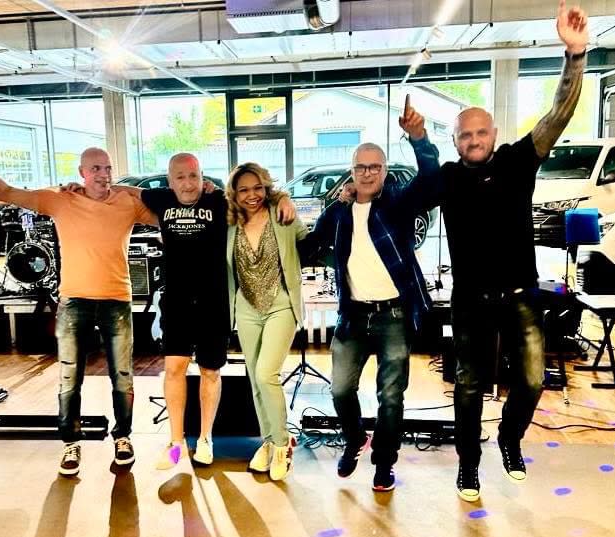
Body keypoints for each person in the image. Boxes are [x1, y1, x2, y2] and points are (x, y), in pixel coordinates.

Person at [443, 0, 589, 502]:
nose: (474, 139)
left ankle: (509, 438)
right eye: (465, 134)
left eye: (481, 132)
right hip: (470, 301)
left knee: (531, 380)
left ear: (494, 134)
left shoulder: (517, 161)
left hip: (521, 296)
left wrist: (575, 56)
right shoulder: (449, 178)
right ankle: (468, 465)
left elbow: (557, 115)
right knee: (468, 385)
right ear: (456, 141)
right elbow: (402, 196)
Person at [0, 136, 158, 477]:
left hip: (116, 300)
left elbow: (167, 215)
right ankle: (71, 443)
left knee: (122, 376)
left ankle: (123, 437)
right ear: (81, 172)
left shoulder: (126, 203)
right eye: (96, 169)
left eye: (108, 168)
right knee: (69, 377)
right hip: (74, 301)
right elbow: (5, 192)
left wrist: (128, 189)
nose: (103, 174)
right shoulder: (60, 200)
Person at [116, 153, 296, 469]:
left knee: (210, 371)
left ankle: (205, 439)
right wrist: (92, 186)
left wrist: (283, 198)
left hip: (214, 302)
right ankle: (175, 443)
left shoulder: (218, 201)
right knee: (174, 368)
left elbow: (255, 196)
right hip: (177, 302)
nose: (188, 184)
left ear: (202, 177)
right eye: (180, 177)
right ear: (170, 181)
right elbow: (128, 190)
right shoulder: (161, 199)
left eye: (193, 176)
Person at [309, 99, 441, 491]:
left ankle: (384, 462)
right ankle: (354, 439)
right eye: (361, 167)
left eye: (375, 167)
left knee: (391, 397)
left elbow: (430, 179)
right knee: (340, 389)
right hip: (352, 317)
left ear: (384, 171)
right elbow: (311, 245)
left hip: (394, 316)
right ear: (351, 172)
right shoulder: (339, 213)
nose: (367, 173)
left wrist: (419, 139)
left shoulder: (397, 203)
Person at [224, 162, 308, 481]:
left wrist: (285, 198)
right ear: (234, 193)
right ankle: (269, 441)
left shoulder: (282, 214)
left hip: (281, 304)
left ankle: (283, 445)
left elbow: (310, 242)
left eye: (258, 188)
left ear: (267, 187)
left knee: (266, 373)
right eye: (244, 189)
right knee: (255, 379)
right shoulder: (229, 221)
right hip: (246, 308)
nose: (252, 195)